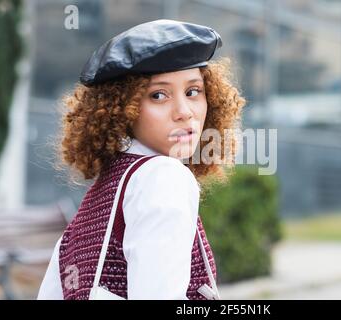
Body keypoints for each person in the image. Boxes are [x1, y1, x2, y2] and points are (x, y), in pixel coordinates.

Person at [37, 19, 245, 300]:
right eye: (158, 95)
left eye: (193, 91)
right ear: (123, 110)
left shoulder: (109, 187)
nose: (184, 112)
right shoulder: (163, 177)